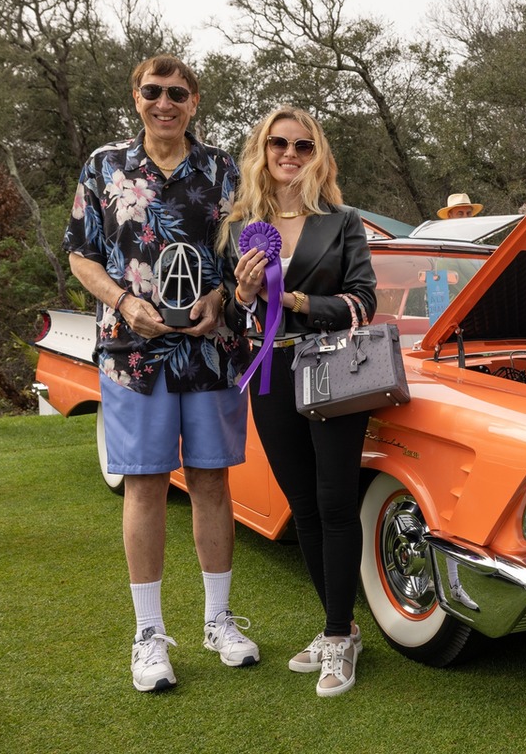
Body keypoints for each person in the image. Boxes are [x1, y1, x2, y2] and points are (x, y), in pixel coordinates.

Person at [64, 54, 256, 693]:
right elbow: (81, 256)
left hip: (211, 350)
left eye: (178, 93)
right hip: (131, 353)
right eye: (154, 92)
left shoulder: (224, 168)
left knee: (210, 482)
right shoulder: (103, 166)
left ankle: (218, 620)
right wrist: (124, 302)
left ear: (195, 101)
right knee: (145, 485)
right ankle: (148, 637)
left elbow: (245, 255)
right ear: (137, 97)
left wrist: (220, 301)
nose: (165, 103)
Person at [219, 106, 377, 698]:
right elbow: (233, 320)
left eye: (303, 145)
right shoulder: (240, 226)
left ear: (318, 154)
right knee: (303, 508)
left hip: (333, 367)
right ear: (262, 151)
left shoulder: (342, 222)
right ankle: (345, 627)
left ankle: (337, 636)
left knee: (336, 502)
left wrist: (301, 302)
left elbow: (364, 302)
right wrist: (242, 293)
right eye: (278, 143)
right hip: (271, 372)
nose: (290, 153)